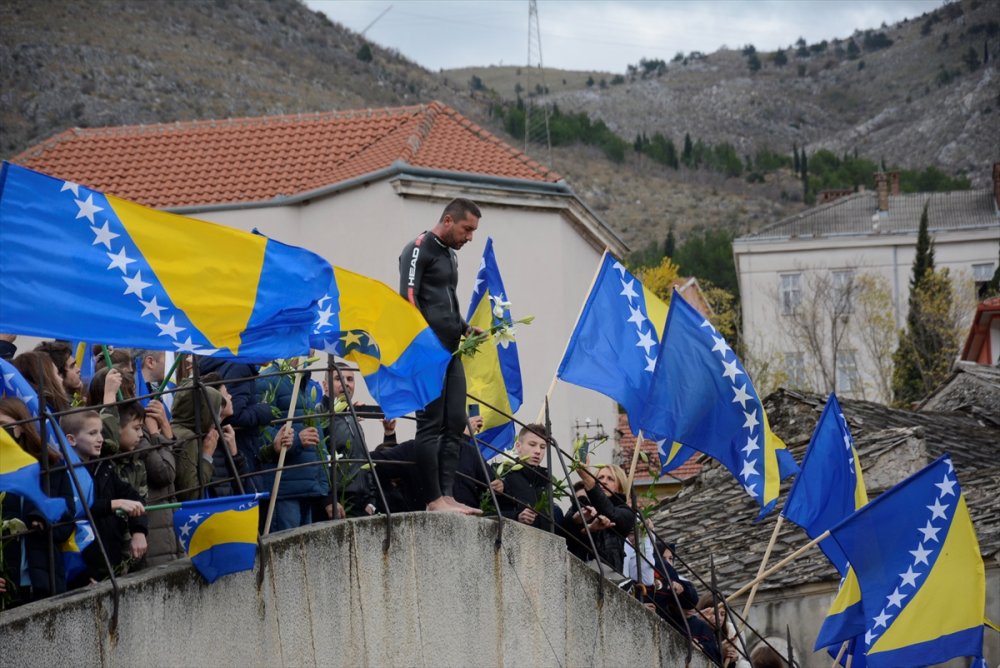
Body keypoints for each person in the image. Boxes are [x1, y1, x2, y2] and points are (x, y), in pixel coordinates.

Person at [398, 197, 483, 515]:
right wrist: (423, 341)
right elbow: (409, 297)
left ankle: (448, 495)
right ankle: (433, 499)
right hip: (426, 351)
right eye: (467, 229)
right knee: (430, 424)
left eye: (473, 231)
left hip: (452, 350)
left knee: (455, 422)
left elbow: (446, 300)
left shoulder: (451, 255)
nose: (469, 237)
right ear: (448, 220)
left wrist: (464, 328)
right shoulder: (419, 246)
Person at [60, 410, 147, 586]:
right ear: (71, 440)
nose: (100, 438)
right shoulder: (61, 472)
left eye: (100, 431)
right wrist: (113, 504)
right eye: (92, 433)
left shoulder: (103, 465)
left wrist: (139, 531)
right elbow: (74, 510)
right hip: (82, 567)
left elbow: (132, 495)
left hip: (110, 559)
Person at [496, 424, 560, 531]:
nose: (538, 451)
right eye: (532, 444)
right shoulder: (503, 473)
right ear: (518, 446)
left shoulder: (545, 478)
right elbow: (486, 512)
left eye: (542, 447)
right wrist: (517, 517)